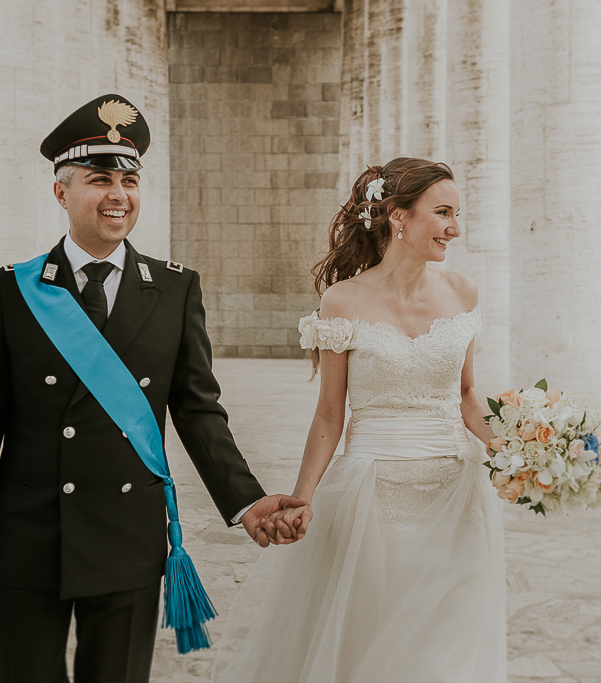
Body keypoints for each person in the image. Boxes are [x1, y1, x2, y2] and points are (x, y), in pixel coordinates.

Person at [0, 94, 310, 683]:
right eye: (99, 178)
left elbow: (198, 410)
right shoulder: (10, 290)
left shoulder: (175, 289)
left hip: (127, 533)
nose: (118, 194)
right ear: (61, 192)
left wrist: (245, 500)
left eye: (129, 180)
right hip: (31, 529)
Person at [213, 158, 507, 682]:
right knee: (376, 638)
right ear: (398, 216)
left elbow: (465, 394)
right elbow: (329, 415)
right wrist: (302, 499)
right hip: (375, 496)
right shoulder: (342, 301)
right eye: (442, 213)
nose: (454, 228)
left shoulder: (462, 291)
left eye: (458, 214)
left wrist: (516, 448)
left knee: (446, 642)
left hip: (457, 494)